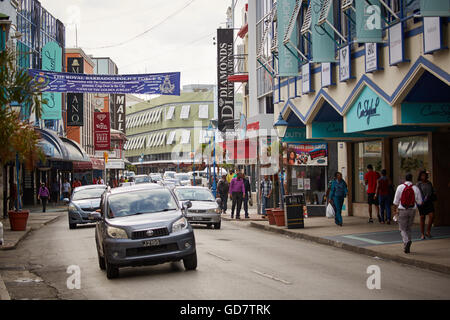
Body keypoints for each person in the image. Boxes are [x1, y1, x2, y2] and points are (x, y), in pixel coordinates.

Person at [393, 173, 423, 254]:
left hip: (402, 210)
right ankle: (408, 243)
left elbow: (395, 201)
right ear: (411, 179)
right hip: (412, 210)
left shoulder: (400, 187)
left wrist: (394, 210)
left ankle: (406, 242)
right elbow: (420, 202)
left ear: (405, 179)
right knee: (408, 228)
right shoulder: (415, 188)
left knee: (402, 228)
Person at [417, 170, 436, 240]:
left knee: (432, 216)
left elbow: (432, 191)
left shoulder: (429, 183)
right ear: (420, 176)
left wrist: (434, 192)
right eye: (422, 175)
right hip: (421, 202)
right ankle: (422, 234)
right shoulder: (418, 184)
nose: (423, 176)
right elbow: (417, 193)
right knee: (422, 217)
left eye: (424, 175)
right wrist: (421, 200)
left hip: (429, 202)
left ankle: (428, 231)